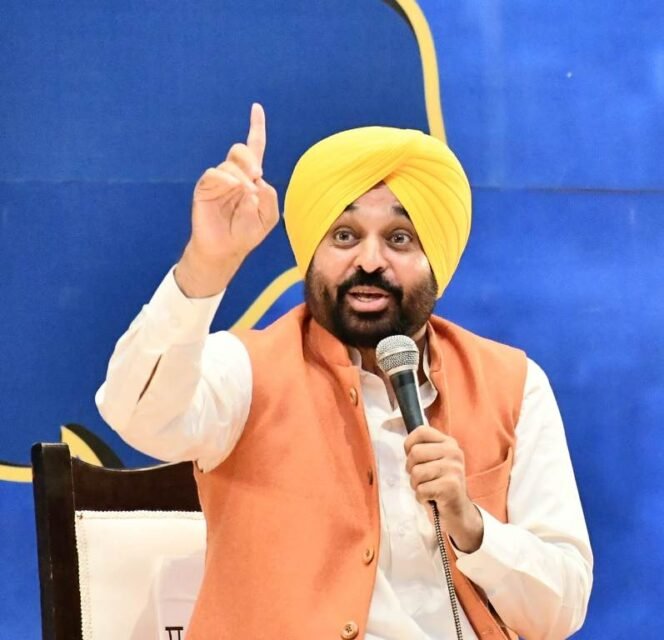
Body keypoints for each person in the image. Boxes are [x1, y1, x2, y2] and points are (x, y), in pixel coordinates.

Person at [96, 104, 592, 640]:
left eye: (399, 238)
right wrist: (206, 263)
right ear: (312, 255)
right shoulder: (246, 371)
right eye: (345, 236)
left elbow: (560, 611)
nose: (370, 261)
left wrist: (472, 526)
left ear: (436, 262)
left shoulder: (514, 384)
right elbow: (137, 416)